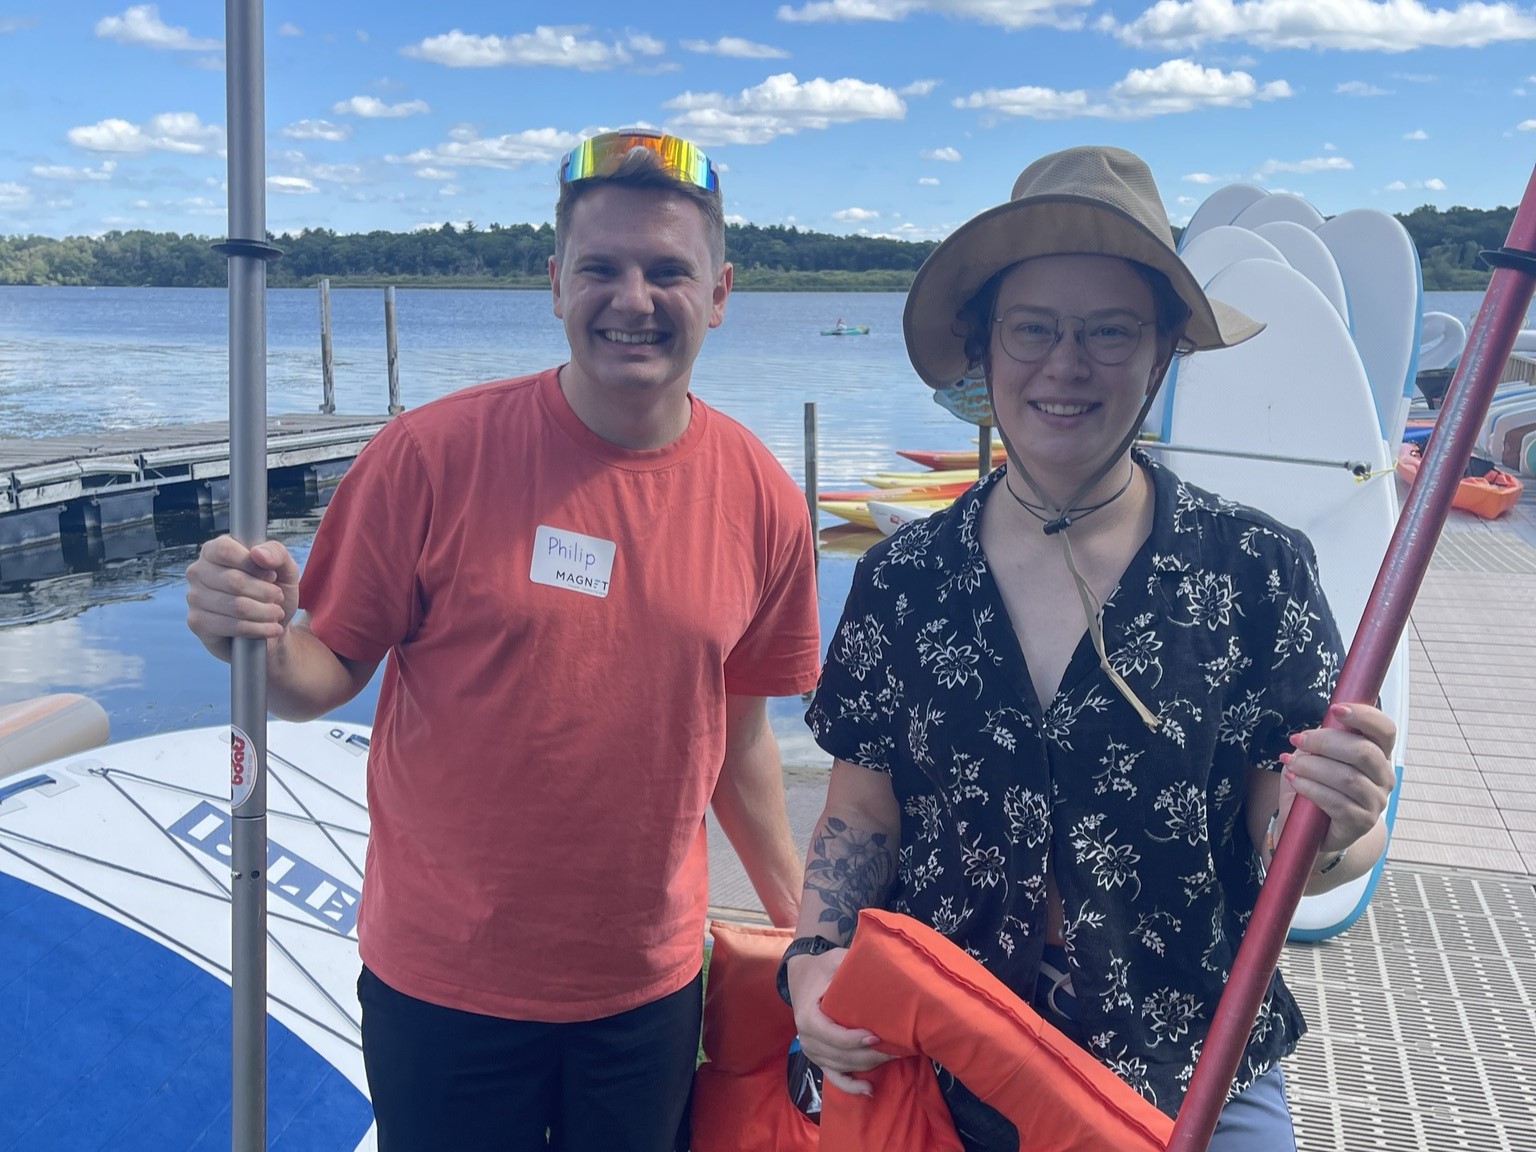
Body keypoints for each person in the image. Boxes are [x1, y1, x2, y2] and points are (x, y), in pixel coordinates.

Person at [184, 129, 822, 1152]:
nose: (633, 299)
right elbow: (321, 673)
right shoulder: (430, 455)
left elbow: (740, 743)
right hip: (446, 982)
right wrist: (245, 637)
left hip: (646, 989)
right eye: (600, 268)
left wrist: (804, 932)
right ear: (554, 281)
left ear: (719, 293)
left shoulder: (762, 498)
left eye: (668, 271)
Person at [780, 145, 1396, 1150]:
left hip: (1192, 1073)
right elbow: (860, 810)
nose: (1066, 365)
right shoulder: (903, 581)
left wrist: (1339, 822)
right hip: (948, 1069)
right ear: (982, 349)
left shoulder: (1255, 569)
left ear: (1165, 353)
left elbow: (1299, 838)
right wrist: (814, 961)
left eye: (1111, 332)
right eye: (1033, 329)